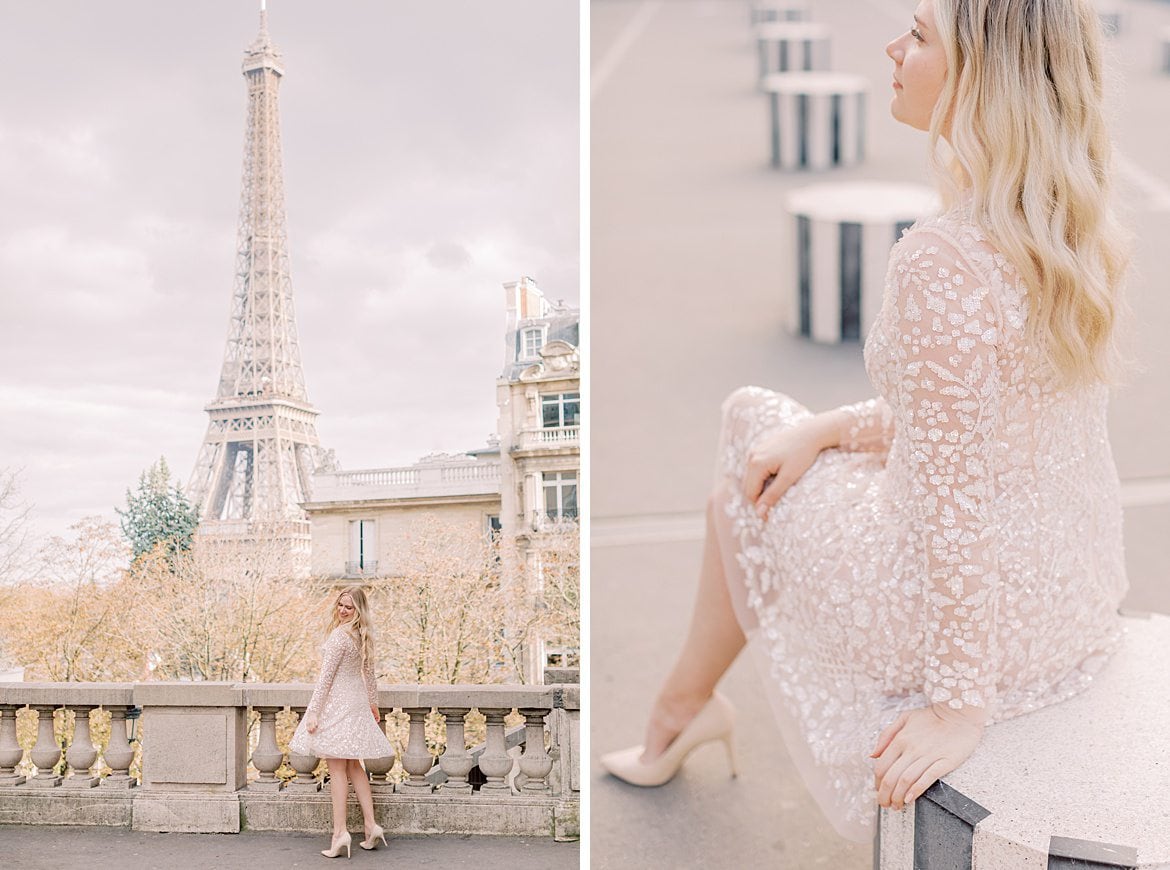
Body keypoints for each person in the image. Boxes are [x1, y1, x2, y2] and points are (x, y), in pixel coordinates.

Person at [600, 0, 1132, 844]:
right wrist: (830, 429)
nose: (892, 47)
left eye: (919, 34)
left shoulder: (942, 257)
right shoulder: (1064, 216)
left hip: (959, 626)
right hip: (1069, 600)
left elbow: (956, 510)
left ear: (981, 75)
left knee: (748, 435)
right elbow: (989, 422)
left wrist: (958, 710)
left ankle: (679, 710)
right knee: (765, 466)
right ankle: (684, 708)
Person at [289, 586, 395, 858]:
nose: (343, 610)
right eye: (340, 605)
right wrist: (372, 703)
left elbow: (325, 679)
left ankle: (340, 834)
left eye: (349, 606)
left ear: (358, 609)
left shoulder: (339, 636)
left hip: (339, 704)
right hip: (355, 703)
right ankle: (371, 827)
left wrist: (313, 712)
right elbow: (369, 675)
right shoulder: (362, 635)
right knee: (355, 767)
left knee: (337, 769)